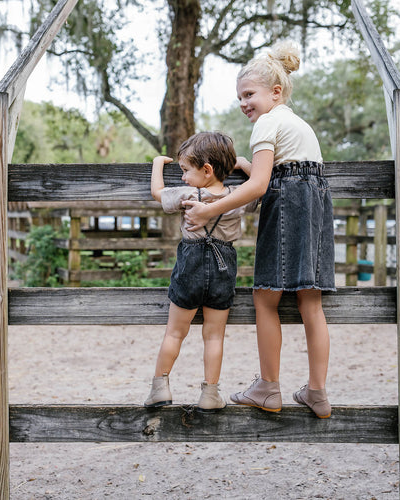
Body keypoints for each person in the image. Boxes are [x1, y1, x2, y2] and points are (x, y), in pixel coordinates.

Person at [182, 42, 335, 418]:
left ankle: (268, 386)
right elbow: (292, 172)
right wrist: (251, 165)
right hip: (315, 204)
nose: (243, 103)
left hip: (288, 207)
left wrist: (208, 210)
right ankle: (317, 392)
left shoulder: (267, 123)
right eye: (239, 97)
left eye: (249, 94)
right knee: (310, 303)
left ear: (275, 92)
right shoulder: (297, 124)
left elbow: (260, 187)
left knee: (265, 297)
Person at [144, 131, 258, 412]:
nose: (182, 177)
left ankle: (160, 387)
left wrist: (158, 163)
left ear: (206, 170)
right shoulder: (236, 196)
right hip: (223, 266)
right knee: (214, 336)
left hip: (190, 264)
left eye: (185, 170)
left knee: (174, 333)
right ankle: (210, 393)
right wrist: (243, 164)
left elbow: (158, 193)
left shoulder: (187, 194)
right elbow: (261, 186)